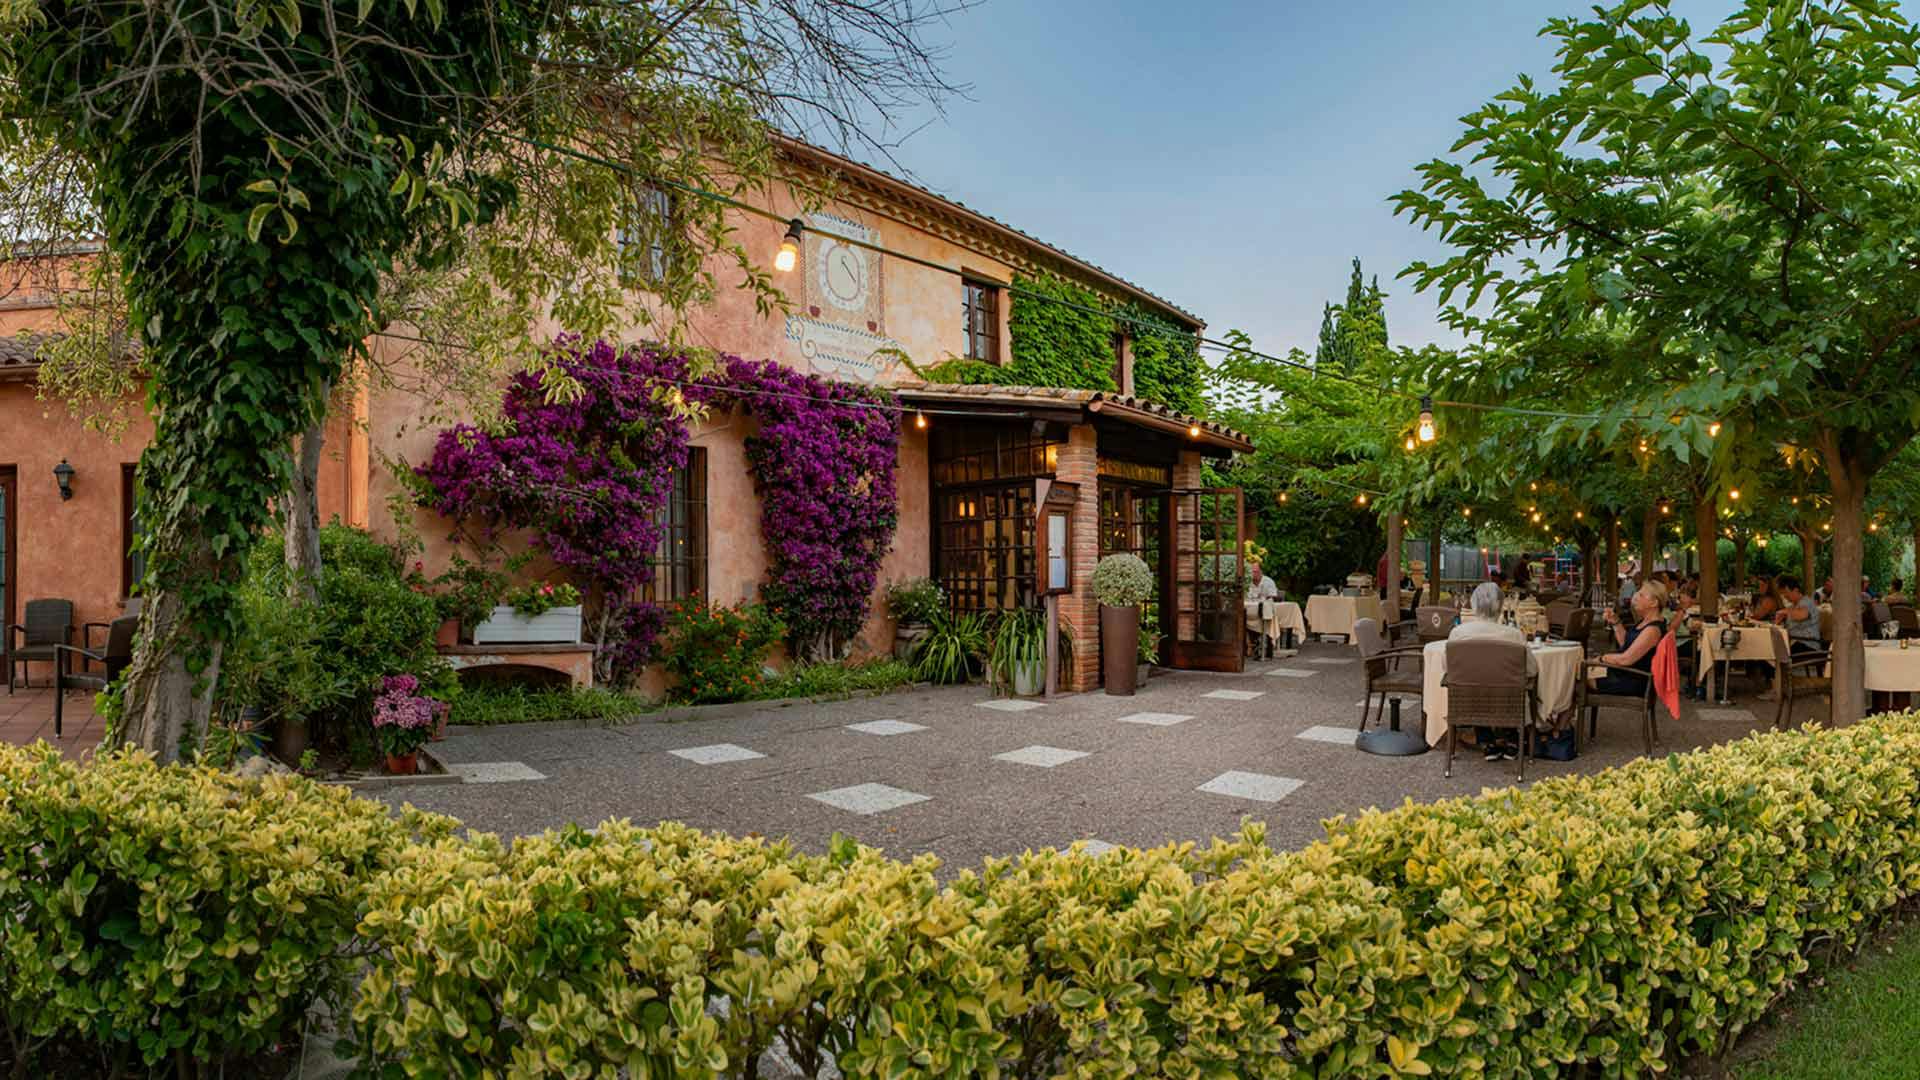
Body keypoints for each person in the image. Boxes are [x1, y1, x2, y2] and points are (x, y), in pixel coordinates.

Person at [1450, 582, 1537, 762]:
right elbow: (1531, 670)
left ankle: (1486, 739)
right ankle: (1512, 739)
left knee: (1475, 683)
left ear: (1473, 604)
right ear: (1501, 605)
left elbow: (1448, 669)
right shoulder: (1514, 635)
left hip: (1469, 701)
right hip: (1507, 702)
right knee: (1514, 685)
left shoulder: (1458, 633)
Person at [1594, 584, 1666, 697]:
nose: (1635, 597)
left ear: (1654, 603)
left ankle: (1565, 713)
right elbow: (1626, 645)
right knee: (1574, 673)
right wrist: (1615, 622)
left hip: (1633, 681)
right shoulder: (1646, 622)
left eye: (1641, 595)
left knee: (1576, 678)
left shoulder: (1652, 630)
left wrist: (1602, 658)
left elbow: (1626, 659)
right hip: (1627, 673)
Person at [1772, 574, 1824, 658]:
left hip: (1807, 645)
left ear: (1796, 590)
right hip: (1796, 642)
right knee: (1769, 650)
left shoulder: (1806, 602)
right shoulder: (1792, 606)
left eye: (1786, 592)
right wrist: (1778, 622)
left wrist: (1785, 612)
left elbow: (1802, 615)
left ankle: (1775, 670)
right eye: (1782, 593)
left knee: (1774, 654)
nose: (1784, 596)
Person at [1244, 562, 1280, 659]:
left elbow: (1274, 596)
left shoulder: (1268, 581)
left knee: (1264, 617)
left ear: (1261, 572)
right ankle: (1248, 646)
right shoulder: (1247, 582)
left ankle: (1262, 648)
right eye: (1251, 572)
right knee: (1240, 619)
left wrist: (1265, 597)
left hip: (1263, 613)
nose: (1253, 574)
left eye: (1255, 572)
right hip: (1249, 612)